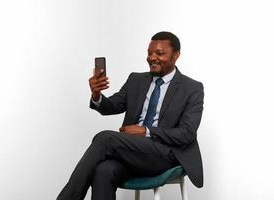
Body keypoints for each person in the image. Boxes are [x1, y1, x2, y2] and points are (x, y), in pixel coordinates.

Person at [57, 31, 204, 200]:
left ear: (176, 55)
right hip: (133, 152)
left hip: (165, 155)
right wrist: (96, 95)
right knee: (103, 170)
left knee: (105, 138)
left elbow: (187, 134)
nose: (152, 58)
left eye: (160, 53)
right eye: (149, 53)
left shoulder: (192, 88)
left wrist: (146, 131)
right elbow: (112, 106)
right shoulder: (136, 80)